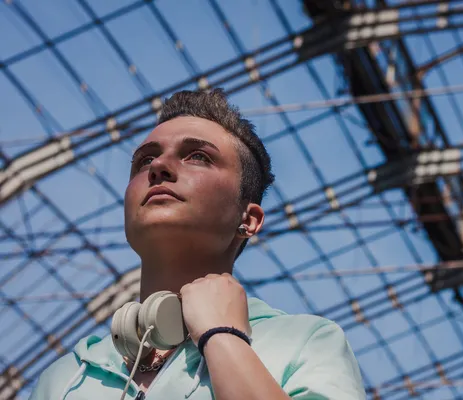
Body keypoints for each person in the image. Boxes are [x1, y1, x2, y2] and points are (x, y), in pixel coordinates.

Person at [29, 89, 366, 399]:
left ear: (248, 220)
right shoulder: (64, 378)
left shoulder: (307, 342)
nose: (158, 166)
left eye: (198, 157)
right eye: (144, 160)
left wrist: (222, 335)